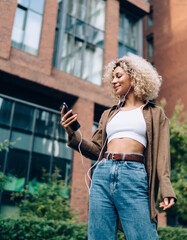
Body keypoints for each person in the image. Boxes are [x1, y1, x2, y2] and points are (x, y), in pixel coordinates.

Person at [60, 54, 176, 240]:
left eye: (119, 76)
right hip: (102, 174)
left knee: (143, 235)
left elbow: (162, 155)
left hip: (133, 175)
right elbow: (96, 150)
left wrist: (167, 189)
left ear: (135, 77)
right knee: (99, 236)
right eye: (112, 77)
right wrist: (72, 132)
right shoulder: (108, 114)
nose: (114, 81)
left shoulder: (155, 114)